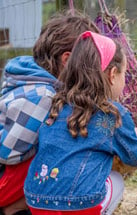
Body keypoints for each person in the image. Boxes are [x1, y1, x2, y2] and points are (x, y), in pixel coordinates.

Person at [24, 31, 137, 215]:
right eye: (125, 73)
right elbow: (135, 153)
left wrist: (131, 132)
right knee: (115, 180)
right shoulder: (111, 114)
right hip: (79, 204)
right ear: (113, 74)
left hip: (36, 200)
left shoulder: (57, 102)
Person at [0, 11, 100, 215]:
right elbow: (7, 154)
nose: (96, 71)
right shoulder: (44, 96)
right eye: (91, 62)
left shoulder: (27, 78)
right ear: (68, 59)